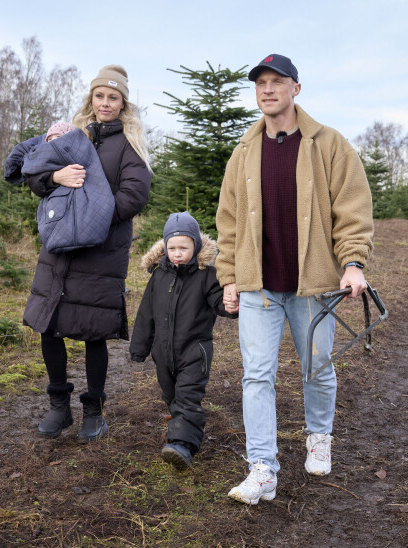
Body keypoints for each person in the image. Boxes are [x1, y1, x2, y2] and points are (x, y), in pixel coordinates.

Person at [215, 54, 374, 504]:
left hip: (315, 286)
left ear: (295, 89)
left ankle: (319, 436)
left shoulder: (328, 145)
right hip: (258, 287)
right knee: (256, 376)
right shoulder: (244, 152)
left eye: (277, 82)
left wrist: (353, 263)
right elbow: (228, 221)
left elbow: (353, 210)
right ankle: (262, 468)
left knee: (318, 369)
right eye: (261, 83)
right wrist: (229, 276)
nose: (268, 90)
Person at [19, 65, 151, 442]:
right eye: (99, 96)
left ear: (123, 103)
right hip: (60, 247)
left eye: (113, 97)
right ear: (91, 99)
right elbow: (34, 172)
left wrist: (89, 218)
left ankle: (94, 412)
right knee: (49, 324)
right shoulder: (72, 135)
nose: (105, 103)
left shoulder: (130, 144)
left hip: (101, 249)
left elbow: (134, 195)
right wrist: (54, 178)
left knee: (94, 331)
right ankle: (59, 408)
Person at [129, 212, 236, 470]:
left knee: (188, 397)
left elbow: (219, 302)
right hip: (163, 354)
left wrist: (231, 305)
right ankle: (182, 431)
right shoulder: (159, 276)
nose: (177, 253)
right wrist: (140, 348)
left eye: (184, 248)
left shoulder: (206, 275)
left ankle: (181, 445)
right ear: (164, 247)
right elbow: (146, 314)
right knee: (172, 395)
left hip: (194, 351)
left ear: (196, 247)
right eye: (172, 248)